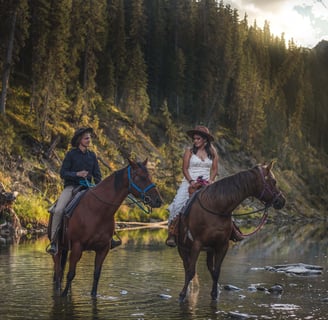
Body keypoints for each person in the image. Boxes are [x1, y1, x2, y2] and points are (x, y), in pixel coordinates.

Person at [47, 127, 120, 255]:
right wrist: (77, 174)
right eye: (86, 138)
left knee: (106, 207)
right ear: (80, 140)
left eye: (89, 138)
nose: (89, 140)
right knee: (58, 210)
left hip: (89, 189)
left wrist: (99, 188)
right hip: (71, 188)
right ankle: (53, 241)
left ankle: (111, 237)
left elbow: (97, 176)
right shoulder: (71, 154)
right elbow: (63, 173)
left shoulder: (92, 156)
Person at [166, 125, 218, 247]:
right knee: (177, 204)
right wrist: (191, 181)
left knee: (221, 202)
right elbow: (184, 169)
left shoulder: (213, 152)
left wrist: (211, 180)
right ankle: (172, 233)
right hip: (190, 182)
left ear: (205, 139)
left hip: (206, 183)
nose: (195, 141)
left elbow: (215, 169)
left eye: (198, 138)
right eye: (194, 138)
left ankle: (229, 231)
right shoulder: (189, 151)